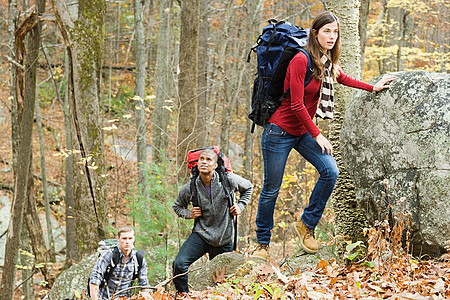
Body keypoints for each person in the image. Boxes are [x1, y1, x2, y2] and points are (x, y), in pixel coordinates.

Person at [252, 11, 395, 260]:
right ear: (315, 33)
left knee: (331, 171)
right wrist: (317, 134)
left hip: (301, 131)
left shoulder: (325, 61)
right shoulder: (300, 59)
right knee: (271, 189)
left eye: (335, 31)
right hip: (279, 131)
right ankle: (262, 246)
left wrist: (373, 87)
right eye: (326, 31)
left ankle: (307, 225)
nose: (331, 36)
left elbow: (343, 78)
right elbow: (296, 104)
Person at [172, 148, 253, 293]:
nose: (204, 162)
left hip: (224, 237)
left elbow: (248, 187)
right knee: (179, 264)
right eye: (201, 159)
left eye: (209, 159)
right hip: (201, 235)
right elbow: (177, 207)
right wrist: (189, 214)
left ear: (215, 165)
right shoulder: (191, 187)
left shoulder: (228, 181)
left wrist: (240, 205)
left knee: (221, 281)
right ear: (197, 164)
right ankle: (183, 295)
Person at [89, 227, 149, 299]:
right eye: (124, 238)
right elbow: (94, 281)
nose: (127, 241)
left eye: (130, 238)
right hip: (104, 297)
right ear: (118, 239)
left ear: (134, 239)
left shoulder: (138, 258)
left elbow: (144, 285)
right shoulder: (108, 255)